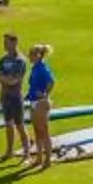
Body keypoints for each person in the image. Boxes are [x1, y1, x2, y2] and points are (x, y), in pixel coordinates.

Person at [0, 32, 29, 162]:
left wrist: (4, 77)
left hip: (15, 97)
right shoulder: (2, 60)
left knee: (20, 125)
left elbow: (14, 81)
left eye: (6, 42)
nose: (4, 45)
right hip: (4, 96)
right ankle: (9, 152)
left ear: (14, 43)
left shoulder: (20, 60)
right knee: (8, 125)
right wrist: (5, 78)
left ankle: (27, 154)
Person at [23, 42, 58, 172]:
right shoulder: (35, 67)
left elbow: (52, 81)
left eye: (31, 54)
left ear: (38, 55)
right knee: (37, 132)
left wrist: (45, 94)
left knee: (44, 131)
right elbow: (34, 85)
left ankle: (47, 160)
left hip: (41, 102)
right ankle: (39, 158)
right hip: (33, 101)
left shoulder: (43, 67)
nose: (29, 56)